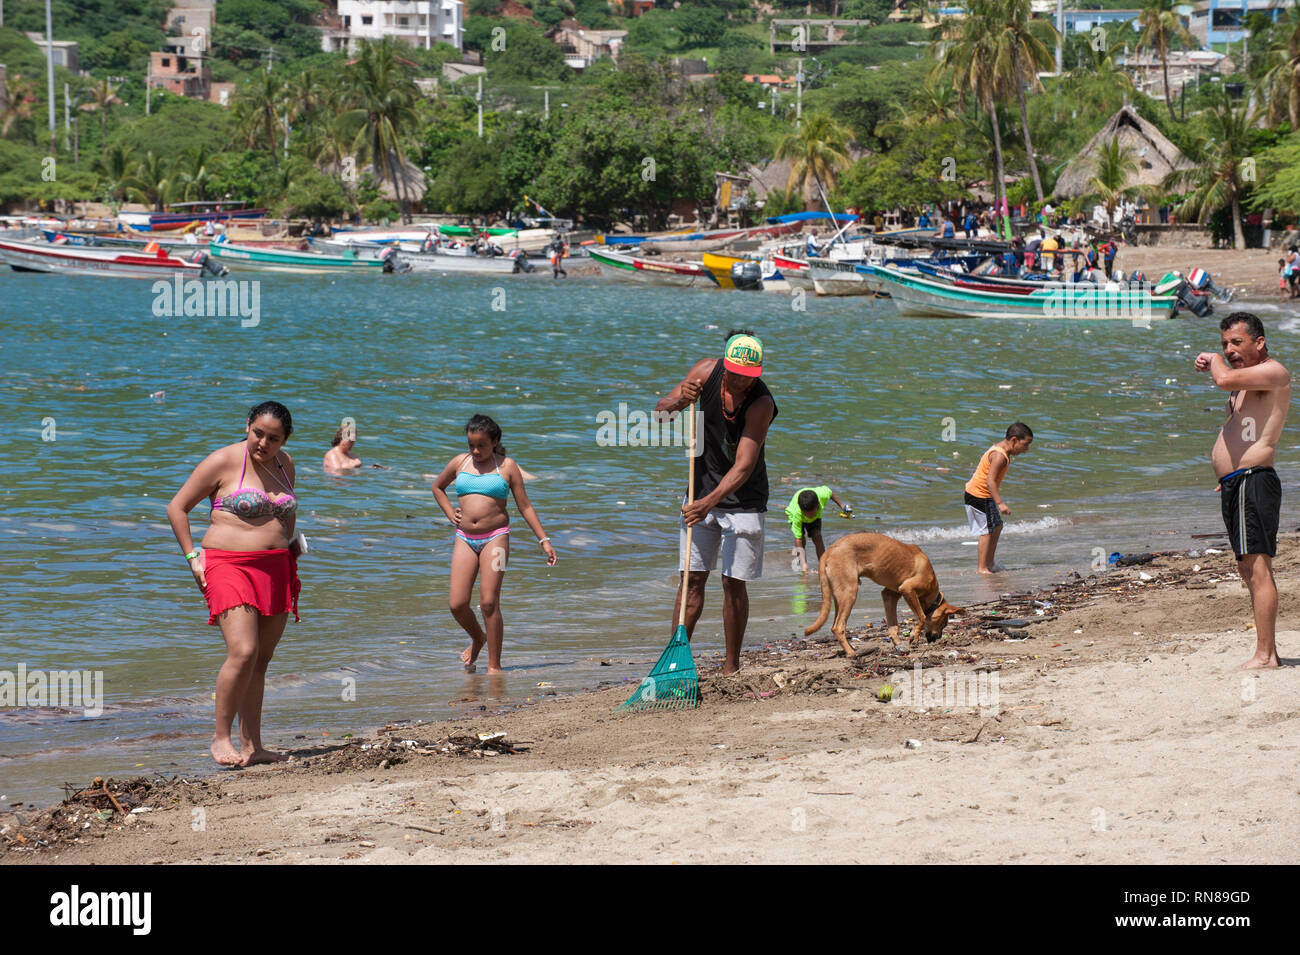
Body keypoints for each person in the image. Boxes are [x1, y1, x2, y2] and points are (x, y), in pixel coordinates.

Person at [166, 401, 302, 767]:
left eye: (273, 438)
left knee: (260, 659)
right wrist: (192, 557)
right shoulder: (223, 461)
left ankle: (252, 746)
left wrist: (292, 545)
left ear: (284, 440)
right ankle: (220, 738)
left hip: (277, 568)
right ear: (247, 426)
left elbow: (286, 516)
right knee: (242, 651)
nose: (263, 443)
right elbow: (177, 507)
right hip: (228, 566)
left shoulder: (285, 465)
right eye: (258, 433)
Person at [655, 331, 777, 675]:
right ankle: (674, 662)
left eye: (750, 377)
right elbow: (660, 415)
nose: (742, 382)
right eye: (736, 374)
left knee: (732, 583)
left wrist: (708, 502)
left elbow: (744, 465)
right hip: (698, 494)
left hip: (744, 502)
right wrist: (679, 402)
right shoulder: (704, 373)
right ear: (724, 365)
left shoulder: (761, 403)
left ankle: (731, 665)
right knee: (691, 579)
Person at [1194, 313, 1291, 669]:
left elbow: (1222, 378)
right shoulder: (1242, 384)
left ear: (1259, 343)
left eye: (1236, 343)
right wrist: (1226, 470)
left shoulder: (1274, 372)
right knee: (1247, 569)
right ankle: (1267, 650)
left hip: (1255, 479)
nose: (1229, 350)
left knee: (1258, 567)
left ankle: (1266, 655)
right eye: (1224, 345)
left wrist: (1215, 361)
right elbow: (1239, 425)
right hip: (1237, 482)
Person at [431, 415, 556, 674]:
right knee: (457, 604)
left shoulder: (507, 467)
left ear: (494, 442)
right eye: (471, 446)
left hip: (496, 538)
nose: (476, 451)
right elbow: (437, 487)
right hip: (464, 539)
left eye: (482, 446)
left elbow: (525, 506)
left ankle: (494, 667)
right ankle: (478, 638)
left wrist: (544, 540)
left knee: (489, 602)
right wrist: (448, 513)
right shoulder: (459, 462)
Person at [963, 423, 1034, 574]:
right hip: (978, 495)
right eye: (1025, 445)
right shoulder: (999, 455)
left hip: (984, 495)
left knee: (997, 526)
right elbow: (990, 481)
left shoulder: (1003, 451)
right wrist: (1000, 503)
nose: (1026, 450)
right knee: (987, 531)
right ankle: (982, 568)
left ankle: (990, 563)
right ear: (1014, 440)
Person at [786, 485, 852, 574]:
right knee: (801, 539)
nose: (809, 518)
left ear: (818, 505)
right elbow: (798, 539)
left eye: (811, 514)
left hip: (816, 516)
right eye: (807, 515)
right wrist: (804, 563)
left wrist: (842, 506)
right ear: (802, 511)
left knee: (817, 537)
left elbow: (830, 492)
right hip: (795, 514)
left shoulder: (822, 495)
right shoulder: (797, 514)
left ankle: (823, 564)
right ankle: (802, 564)